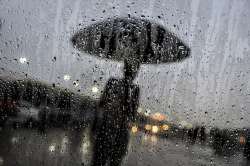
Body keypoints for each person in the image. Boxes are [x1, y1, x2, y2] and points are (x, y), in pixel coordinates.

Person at [91, 60, 140, 166]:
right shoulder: (113, 82)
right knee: (99, 161)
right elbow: (102, 103)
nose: (132, 73)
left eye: (134, 70)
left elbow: (131, 113)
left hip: (119, 132)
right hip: (107, 129)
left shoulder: (134, 89)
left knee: (112, 161)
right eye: (130, 69)